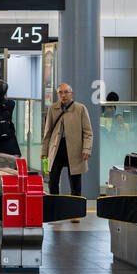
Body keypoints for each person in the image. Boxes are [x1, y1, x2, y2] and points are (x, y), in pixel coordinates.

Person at [41, 83, 92, 219]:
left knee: (75, 183)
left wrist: (86, 148)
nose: (63, 95)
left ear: (71, 94)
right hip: (56, 148)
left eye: (66, 92)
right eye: (60, 93)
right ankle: (54, 211)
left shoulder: (80, 109)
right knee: (53, 181)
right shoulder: (53, 108)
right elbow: (48, 132)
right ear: (57, 94)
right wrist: (44, 151)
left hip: (75, 150)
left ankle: (74, 213)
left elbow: (88, 132)